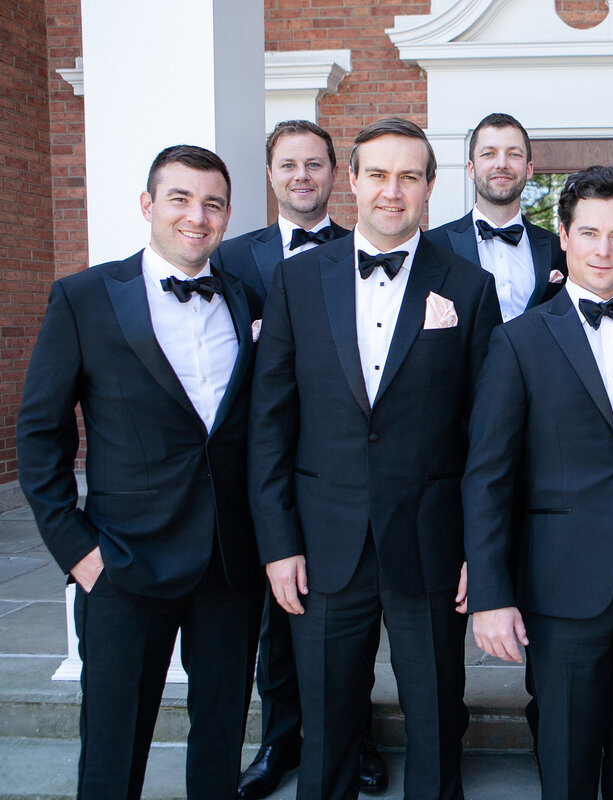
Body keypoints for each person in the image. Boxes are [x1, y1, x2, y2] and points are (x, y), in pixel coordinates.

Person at [249, 117, 502, 800]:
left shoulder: (470, 288)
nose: (394, 191)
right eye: (380, 174)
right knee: (327, 723)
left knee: (437, 715)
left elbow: (488, 437)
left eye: (410, 176)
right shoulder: (297, 280)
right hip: (323, 543)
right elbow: (270, 425)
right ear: (353, 180)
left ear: (429, 187)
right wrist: (277, 544)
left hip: (432, 541)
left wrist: (483, 550)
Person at [17, 145, 261, 799]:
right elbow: (40, 433)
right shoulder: (85, 297)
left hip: (229, 565)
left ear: (227, 215)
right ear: (149, 205)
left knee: (220, 747)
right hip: (122, 563)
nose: (197, 216)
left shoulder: (244, 298)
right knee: (112, 750)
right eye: (180, 198)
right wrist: (78, 551)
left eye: (212, 203)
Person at [463, 165, 613, 800]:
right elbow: (488, 475)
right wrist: (490, 591)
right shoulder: (519, 342)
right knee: (566, 754)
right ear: (562, 236)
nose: (604, 250)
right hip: (561, 584)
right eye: (589, 233)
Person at [211, 120, 388, 798]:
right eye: (289, 165)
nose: (302, 176)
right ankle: (280, 739)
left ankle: (355, 740)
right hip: (260, 460)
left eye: (314, 164)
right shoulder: (234, 258)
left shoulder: (362, 249)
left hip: (335, 460)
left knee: (342, 626)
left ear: (336, 175)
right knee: (277, 626)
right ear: (271, 174)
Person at [425, 112, 567, 322]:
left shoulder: (559, 250)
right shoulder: (433, 246)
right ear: (471, 169)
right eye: (489, 154)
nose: (501, 164)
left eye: (514, 154)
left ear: (529, 169)